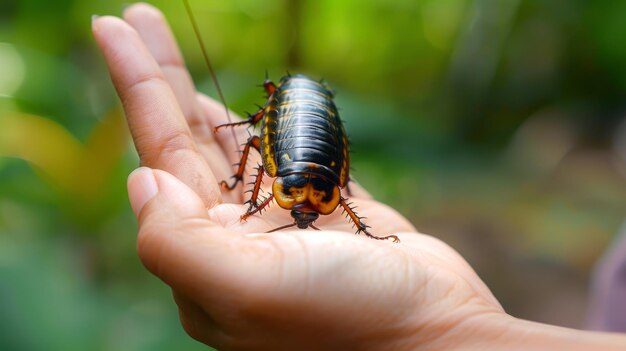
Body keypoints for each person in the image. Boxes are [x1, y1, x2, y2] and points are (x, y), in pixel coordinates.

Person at [92, 3, 626, 350]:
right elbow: (282, 150)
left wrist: (445, 332)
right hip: (312, 132)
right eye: (301, 200)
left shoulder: (295, 169)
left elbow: (267, 150)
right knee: (258, 140)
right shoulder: (315, 174)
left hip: (312, 135)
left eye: (310, 200)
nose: (302, 206)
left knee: (257, 143)